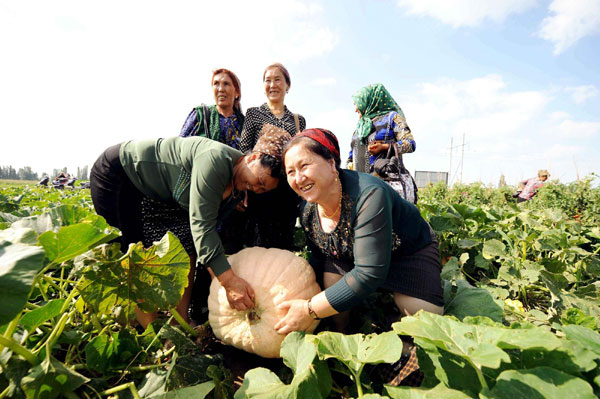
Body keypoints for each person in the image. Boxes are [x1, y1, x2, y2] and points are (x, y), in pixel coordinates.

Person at [276, 128, 443, 379]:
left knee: (421, 317)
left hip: (407, 252)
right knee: (330, 292)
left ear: (332, 164)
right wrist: (310, 296)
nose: (298, 178)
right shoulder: (307, 210)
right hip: (351, 254)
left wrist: (310, 309)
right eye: (291, 172)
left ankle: (407, 352)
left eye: (304, 165)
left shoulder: (368, 194)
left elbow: (369, 273)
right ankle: (344, 339)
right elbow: (318, 257)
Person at [89, 128, 291, 328]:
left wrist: (220, 274)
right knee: (133, 254)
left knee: (186, 247)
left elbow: (205, 230)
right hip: (119, 175)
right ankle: (148, 334)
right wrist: (228, 282)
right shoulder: (216, 160)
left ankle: (180, 323)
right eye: (260, 181)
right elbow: (202, 228)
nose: (256, 188)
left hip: (154, 194)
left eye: (262, 189)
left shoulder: (236, 188)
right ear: (252, 158)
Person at [141, 68, 245, 322]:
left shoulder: (243, 123)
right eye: (216, 84)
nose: (221, 89)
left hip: (228, 199)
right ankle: (189, 311)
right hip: (195, 195)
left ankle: (210, 307)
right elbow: (180, 148)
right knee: (193, 246)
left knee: (218, 251)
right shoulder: (201, 115)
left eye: (226, 84)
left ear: (237, 91)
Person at [239, 63, 306, 249]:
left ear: (287, 85)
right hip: (260, 190)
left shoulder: (297, 120)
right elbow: (244, 149)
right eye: (267, 80)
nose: (272, 85)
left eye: (278, 79)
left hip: (286, 191)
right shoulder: (254, 113)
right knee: (257, 243)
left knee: (283, 244)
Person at [348, 83, 418, 203]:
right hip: (363, 188)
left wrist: (385, 147)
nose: (355, 109)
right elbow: (351, 157)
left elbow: (410, 144)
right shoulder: (360, 127)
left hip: (388, 184)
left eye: (357, 104)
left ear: (369, 101)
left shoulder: (392, 118)